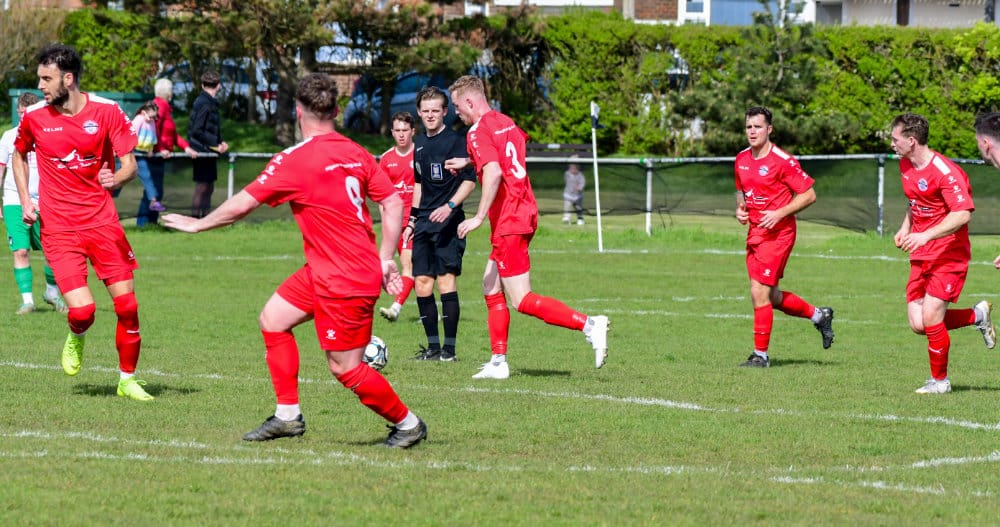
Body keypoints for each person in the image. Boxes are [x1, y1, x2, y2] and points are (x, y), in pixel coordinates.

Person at [162, 72, 427, 448]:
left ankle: (409, 424)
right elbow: (392, 202)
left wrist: (199, 224)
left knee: (345, 368)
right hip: (329, 269)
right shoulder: (357, 152)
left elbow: (245, 203)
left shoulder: (295, 159)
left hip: (343, 278)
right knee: (273, 319)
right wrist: (384, 258)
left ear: (298, 112)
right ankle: (287, 416)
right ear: (335, 111)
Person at [12, 44, 153, 401]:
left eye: (47, 79)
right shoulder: (35, 117)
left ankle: (127, 380)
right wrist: (26, 199)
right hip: (59, 229)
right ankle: (77, 334)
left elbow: (130, 165)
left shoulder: (107, 111)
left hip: (103, 223)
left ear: (68, 79)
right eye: (40, 78)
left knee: (128, 307)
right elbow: (19, 155)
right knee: (84, 310)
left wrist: (116, 179)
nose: (40, 86)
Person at [445, 75, 609, 380]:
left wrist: (478, 217)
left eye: (457, 106)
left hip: (510, 218)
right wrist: (469, 161)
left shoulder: (477, 130)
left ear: (469, 101)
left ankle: (590, 325)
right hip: (524, 209)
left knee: (521, 299)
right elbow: (505, 155)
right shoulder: (504, 121)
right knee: (490, 285)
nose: (456, 112)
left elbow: (494, 171)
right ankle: (498, 362)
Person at [891, 112, 994, 394]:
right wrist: (905, 227)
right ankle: (976, 316)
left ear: (911, 141)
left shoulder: (946, 172)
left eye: (895, 138)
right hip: (921, 252)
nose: (892, 143)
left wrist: (925, 235)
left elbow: (962, 214)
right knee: (918, 323)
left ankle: (940, 382)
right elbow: (915, 201)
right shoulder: (905, 164)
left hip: (949, 253)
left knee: (932, 317)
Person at [733, 106, 835, 369]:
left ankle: (761, 356)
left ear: (769, 129)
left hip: (779, 235)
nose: (752, 131)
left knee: (759, 292)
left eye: (757, 126)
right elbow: (741, 191)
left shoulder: (782, 161)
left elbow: (809, 195)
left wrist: (779, 213)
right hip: (755, 233)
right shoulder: (741, 158)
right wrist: (741, 210)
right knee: (771, 296)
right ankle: (819, 316)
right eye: (748, 127)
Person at [408, 86, 477, 362]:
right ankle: (433, 348)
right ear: (419, 112)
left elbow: (470, 181)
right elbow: (418, 184)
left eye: (435, 110)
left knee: (446, 281)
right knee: (422, 283)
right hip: (424, 223)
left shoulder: (456, 142)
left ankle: (449, 350)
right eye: (425, 111)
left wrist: (449, 206)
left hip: (448, 222)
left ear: (445, 112)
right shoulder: (419, 144)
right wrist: (412, 220)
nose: (430, 115)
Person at [0, 91, 68, 315]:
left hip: (46, 200)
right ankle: (27, 301)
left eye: (27, 113)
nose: (24, 118)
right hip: (14, 200)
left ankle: (51, 292)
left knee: (53, 251)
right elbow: (1, 169)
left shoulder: (50, 134)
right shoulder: (8, 137)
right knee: (20, 250)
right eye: (21, 113)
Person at [137, 78, 198, 227]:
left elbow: (172, 134)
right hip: (153, 156)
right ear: (169, 93)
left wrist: (185, 147)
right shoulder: (159, 107)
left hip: (159, 157)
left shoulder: (164, 108)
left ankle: (150, 223)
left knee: (155, 191)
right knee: (153, 191)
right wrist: (159, 149)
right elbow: (153, 130)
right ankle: (144, 224)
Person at [377, 112, 417, 323]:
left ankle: (396, 307)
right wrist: (386, 224)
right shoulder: (386, 159)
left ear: (413, 131)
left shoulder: (420, 155)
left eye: (405, 130)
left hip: (416, 221)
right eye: (397, 130)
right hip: (396, 224)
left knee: (408, 265)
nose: (401, 135)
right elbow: (381, 196)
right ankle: (430, 313)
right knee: (415, 269)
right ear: (392, 132)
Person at [188, 70, 228, 218]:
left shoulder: (210, 103)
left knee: (209, 187)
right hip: (201, 151)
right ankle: (195, 219)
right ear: (218, 86)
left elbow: (212, 128)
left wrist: (220, 142)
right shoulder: (204, 103)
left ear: (202, 85)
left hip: (208, 150)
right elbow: (196, 130)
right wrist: (215, 143)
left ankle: (205, 219)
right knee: (202, 187)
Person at [131, 100, 167, 214]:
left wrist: (150, 149)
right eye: (151, 116)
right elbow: (131, 135)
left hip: (141, 154)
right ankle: (104, 195)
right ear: (143, 113)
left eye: (154, 117)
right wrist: (129, 151)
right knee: (120, 177)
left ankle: (153, 202)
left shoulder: (151, 122)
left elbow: (152, 137)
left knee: (147, 176)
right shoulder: (139, 120)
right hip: (131, 153)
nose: (153, 119)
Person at [562, 161, 585, 225]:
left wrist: (579, 187)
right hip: (568, 195)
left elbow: (582, 183)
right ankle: (567, 218)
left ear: (577, 169)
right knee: (567, 207)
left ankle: (580, 219)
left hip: (578, 197)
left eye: (575, 169)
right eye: (571, 168)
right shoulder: (567, 174)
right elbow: (566, 179)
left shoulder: (580, 175)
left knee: (578, 208)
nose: (573, 170)